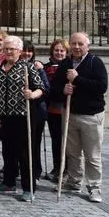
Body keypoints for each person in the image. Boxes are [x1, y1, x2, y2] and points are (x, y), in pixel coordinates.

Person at [51, 32, 108, 203]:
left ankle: (94, 187)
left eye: (80, 44)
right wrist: (63, 90)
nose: (76, 47)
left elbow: (101, 87)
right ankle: (74, 181)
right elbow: (55, 87)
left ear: (87, 46)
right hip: (70, 114)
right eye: (74, 43)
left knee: (92, 154)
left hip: (91, 116)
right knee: (72, 152)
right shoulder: (66, 63)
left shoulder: (95, 62)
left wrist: (77, 79)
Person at [0, 35, 44, 202]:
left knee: (25, 153)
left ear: (19, 51)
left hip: (23, 115)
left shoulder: (28, 67)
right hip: (5, 115)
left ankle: (28, 188)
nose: (8, 52)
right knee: (8, 151)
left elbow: (41, 88)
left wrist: (32, 94)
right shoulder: (1, 68)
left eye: (12, 49)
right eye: (6, 49)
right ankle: (9, 182)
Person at [21, 39, 50, 180]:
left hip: (36, 110)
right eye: (24, 50)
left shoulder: (37, 66)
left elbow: (46, 88)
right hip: (20, 110)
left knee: (34, 142)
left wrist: (33, 94)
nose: (26, 53)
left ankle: (35, 170)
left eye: (29, 51)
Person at [42, 38, 68, 180]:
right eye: (56, 50)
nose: (59, 53)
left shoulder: (70, 66)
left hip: (66, 108)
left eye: (62, 50)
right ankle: (57, 167)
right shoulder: (46, 67)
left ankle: (65, 169)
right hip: (52, 108)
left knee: (66, 141)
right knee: (56, 140)